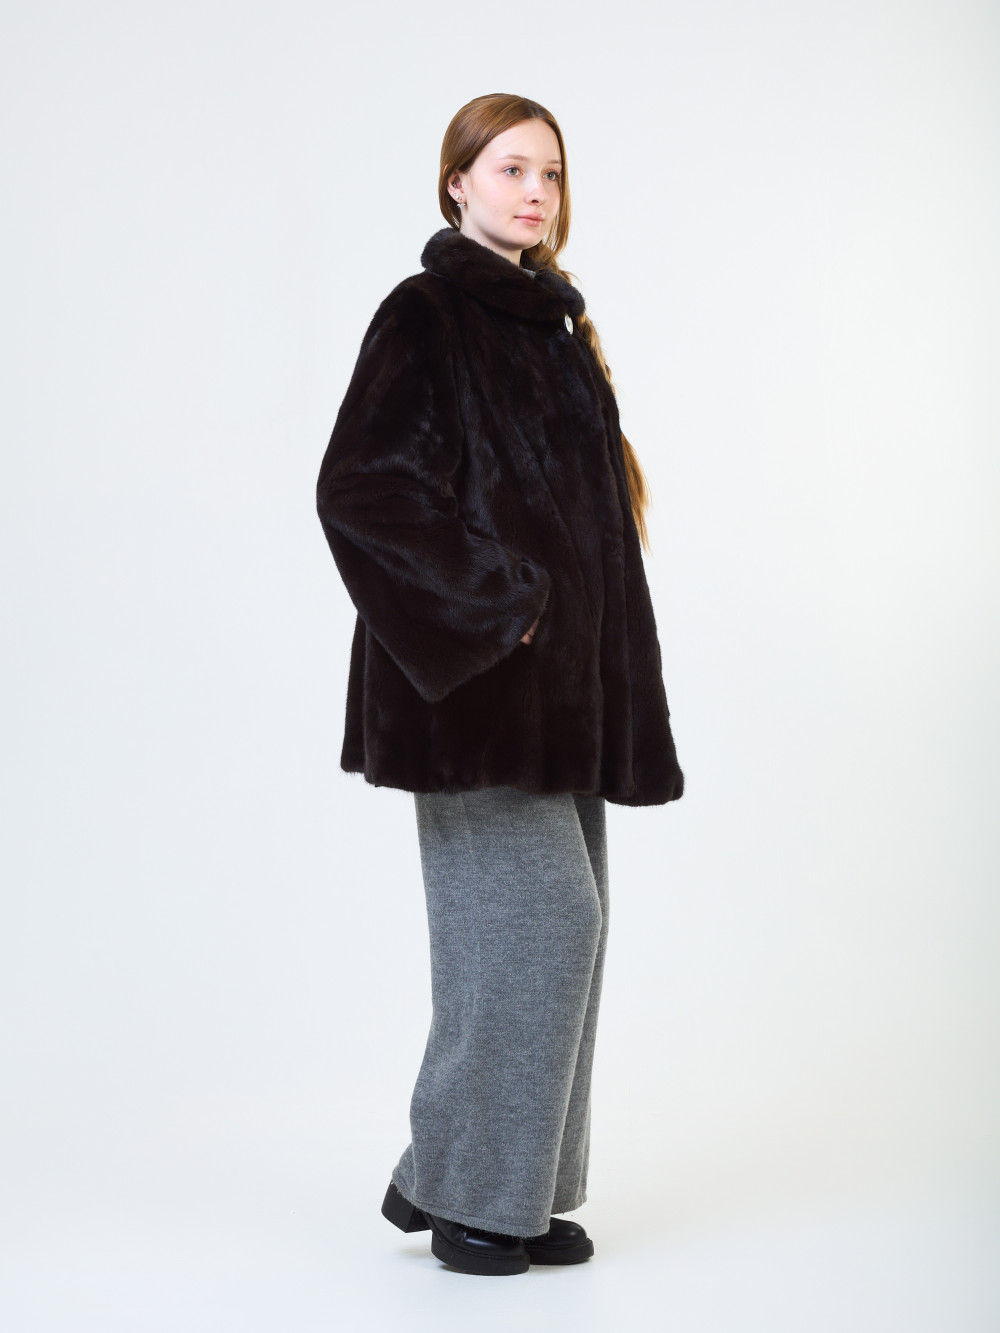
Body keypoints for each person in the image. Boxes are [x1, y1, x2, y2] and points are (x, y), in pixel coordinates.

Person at [315, 93, 684, 1277]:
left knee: (574, 926)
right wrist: (502, 608)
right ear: (457, 184)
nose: (534, 192)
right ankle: (468, 1188)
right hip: (473, 692)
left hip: (562, 696)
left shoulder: (555, 326)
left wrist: (595, 660)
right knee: (537, 926)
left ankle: (507, 1190)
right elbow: (360, 488)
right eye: (511, 168)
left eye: (550, 174)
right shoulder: (425, 312)